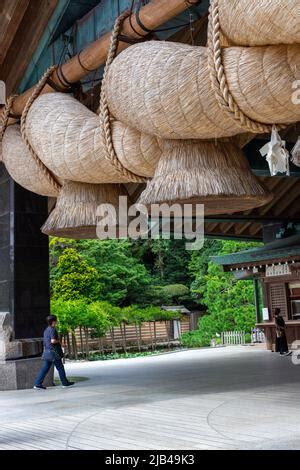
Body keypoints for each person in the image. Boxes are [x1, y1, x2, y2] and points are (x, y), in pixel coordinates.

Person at [33, 315, 74, 390]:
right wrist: (61, 343)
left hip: (47, 352)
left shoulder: (46, 330)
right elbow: (53, 341)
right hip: (53, 352)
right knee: (60, 367)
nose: (56, 322)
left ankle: (37, 384)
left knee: (45, 368)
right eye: (56, 320)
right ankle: (65, 383)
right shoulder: (52, 329)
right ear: (53, 321)